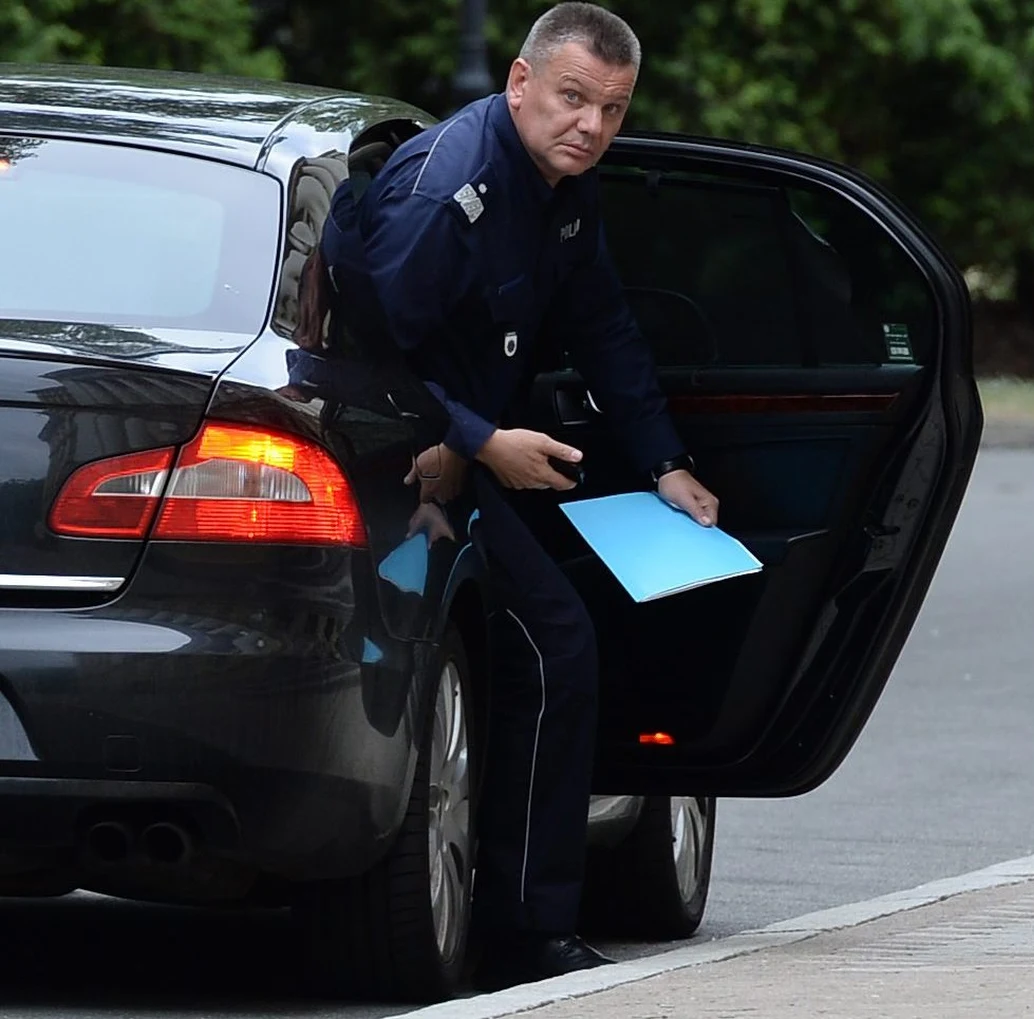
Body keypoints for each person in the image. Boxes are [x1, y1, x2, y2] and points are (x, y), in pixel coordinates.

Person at [325, 1, 719, 990]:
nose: (590, 125)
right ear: (519, 82)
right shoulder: (446, 192)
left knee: (592, 628)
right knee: (556, 646)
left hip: (475, 459)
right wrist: (484, 440)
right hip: (398, 474)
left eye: (612, 109)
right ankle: (525, 929)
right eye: (573, 98)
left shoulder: (560, 189)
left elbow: (607, 330)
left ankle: (531, 902)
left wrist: (666, 462)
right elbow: (374, 358)